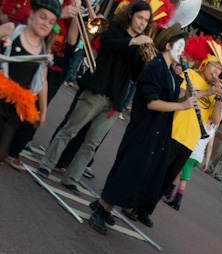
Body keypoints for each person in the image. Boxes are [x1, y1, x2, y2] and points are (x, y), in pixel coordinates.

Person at [88, 23, 197, 235]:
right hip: (144, 130)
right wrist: (182, 106)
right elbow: (152, 102)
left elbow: (174, 96)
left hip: (157, 132)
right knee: (129, 170)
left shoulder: (171, 73)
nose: (183, 52)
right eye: (180, 46)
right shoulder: (155, 67)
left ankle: (102, 205)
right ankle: (101, 210)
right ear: (167, 45)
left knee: (138, 173)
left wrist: (195, 95)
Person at [37, 0, 154, 194]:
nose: (142, 22)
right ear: (131, 15)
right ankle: (47, 164)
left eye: (146, 20)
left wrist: (144, 60)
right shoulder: (113, 28)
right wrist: (132, 41)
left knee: (92, 143)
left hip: (115, 100)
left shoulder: (141, 44)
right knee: (71, 130)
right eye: (140, 17)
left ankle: (71, 177)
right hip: (97, 89)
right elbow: (106, 46)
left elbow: (135, 77)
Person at [153, 33, 222, 222]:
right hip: (175, 132)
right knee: (157, 172)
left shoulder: (214, 90)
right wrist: (207, 92)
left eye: (220, 67)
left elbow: (215, 120)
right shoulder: (191, 75)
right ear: (204, 64)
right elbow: (181, 97)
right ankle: (137, 204)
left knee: (168, 179)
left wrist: (218, 101)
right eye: (214, 65)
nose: (217, 70)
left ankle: (147, 209)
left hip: (191, 141)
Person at [0, 0, 61, 161]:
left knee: (1, 150)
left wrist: (43, 112)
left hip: (14, 106)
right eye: (42, 17)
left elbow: (42, 82)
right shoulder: (12, 30)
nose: (45, 24)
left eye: (51, 22)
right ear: (32, 14)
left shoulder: (44, 52)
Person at [164, 117, 218, 211]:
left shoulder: (200, 123)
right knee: (180, 171)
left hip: (192, 153)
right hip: (199, 156)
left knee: (184, 177)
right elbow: (210, 147)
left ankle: (177, 200)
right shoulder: (212, 131)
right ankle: (169, 191)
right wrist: (206, 161)